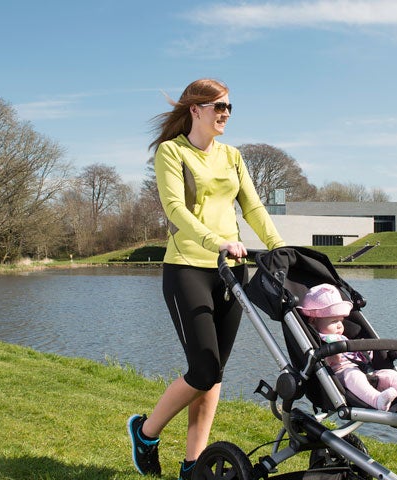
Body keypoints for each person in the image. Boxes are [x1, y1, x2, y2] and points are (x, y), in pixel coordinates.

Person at [127, 78, 286, 479]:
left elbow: (252, 206)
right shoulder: (171, 151)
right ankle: (145, 434)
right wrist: (216, 240)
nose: (225, 114)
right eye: (217, 107)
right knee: (202, 370)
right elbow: (175, 210)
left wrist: (280, 247)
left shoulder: (232, 156)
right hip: (187, 267)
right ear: (194, 109)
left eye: (229, 107)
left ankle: (192, 465)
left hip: (230, 272)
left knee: (213, 376)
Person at [299, 284, 397, 412]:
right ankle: (377, 400)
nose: (340, 325)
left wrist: (365, 351)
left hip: (366, 371)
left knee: (389, 374)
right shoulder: (320, 340)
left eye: (341, 321)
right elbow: (325, 362)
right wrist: (331, 357)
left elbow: (356, 356)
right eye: (334, 321)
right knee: (353, 375)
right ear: (313, 321)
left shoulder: (341, 337)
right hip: (341, 375)